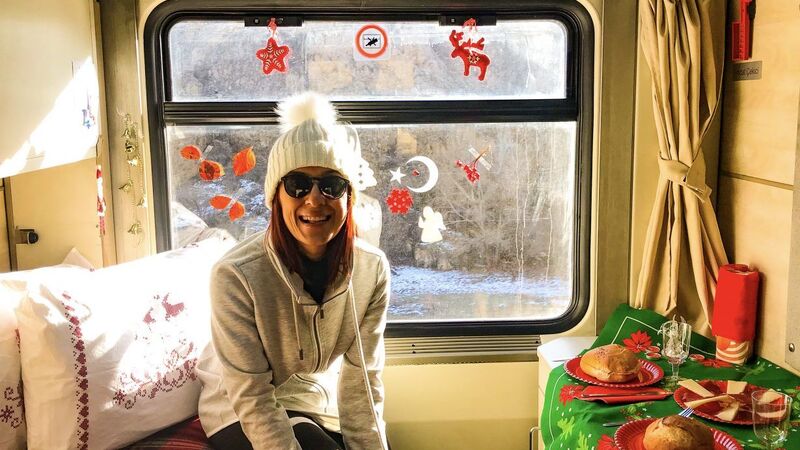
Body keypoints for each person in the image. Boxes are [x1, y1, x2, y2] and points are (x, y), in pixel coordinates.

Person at [197, 92, 390, 450]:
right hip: (237, 408)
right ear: (276, 197)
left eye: (331, 185)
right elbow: (252, 396)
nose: (314, 199)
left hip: (314, 400)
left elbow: (363, 382)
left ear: (349, 196)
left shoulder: (371, 270)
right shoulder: (235, 276)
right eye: (297, 184)